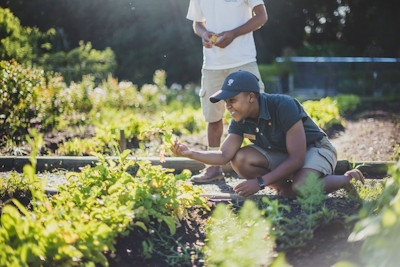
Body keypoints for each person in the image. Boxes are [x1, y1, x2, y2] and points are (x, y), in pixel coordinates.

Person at [170, 70, 365, 197]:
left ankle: (348, 178)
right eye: (226, 102)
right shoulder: (240, 117)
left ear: (252, 97)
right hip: (285, 155)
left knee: (303, 187)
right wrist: (190, 154)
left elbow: (298, 158)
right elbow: (224, 155)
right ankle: (285, 189)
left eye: (232, 100)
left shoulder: (283, 105)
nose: (228, 106)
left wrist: (260, 182)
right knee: (240, 158)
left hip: (314, 149)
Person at [186, 0, 268, 183]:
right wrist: (204, 33)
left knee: (259, 112)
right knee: (213, 118)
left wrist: (233, 34)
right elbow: (197, 23)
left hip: (243, 60)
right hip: (212, 65)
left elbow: (261, 16)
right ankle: (214, 169)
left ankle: (271, 162)